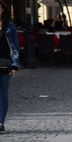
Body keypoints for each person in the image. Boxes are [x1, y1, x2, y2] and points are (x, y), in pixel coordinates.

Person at [0, 0, 19, 132]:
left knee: (3, 94)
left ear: (3, 9)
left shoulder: (9, 26)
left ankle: (0, 122)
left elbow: (15, 46)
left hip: (5, 63)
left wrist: (15, 64)